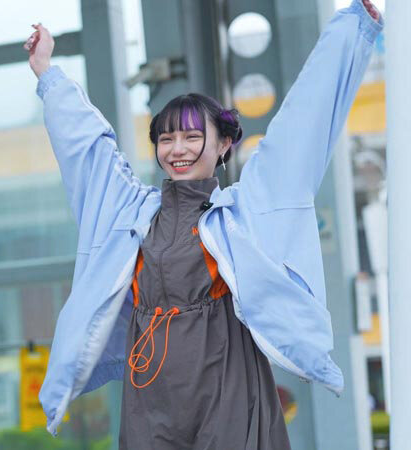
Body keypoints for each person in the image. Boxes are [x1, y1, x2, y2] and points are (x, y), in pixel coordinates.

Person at [24, 0, 382, 447]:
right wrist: (47, 73)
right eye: (167, 138)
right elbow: (87, 149)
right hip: (150, 392)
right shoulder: (130, 213)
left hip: (226, 385)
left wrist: (353, 28)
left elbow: (301, 124)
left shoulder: (241, 212)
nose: (178, 149)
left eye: (193, 136)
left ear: (224, 144)